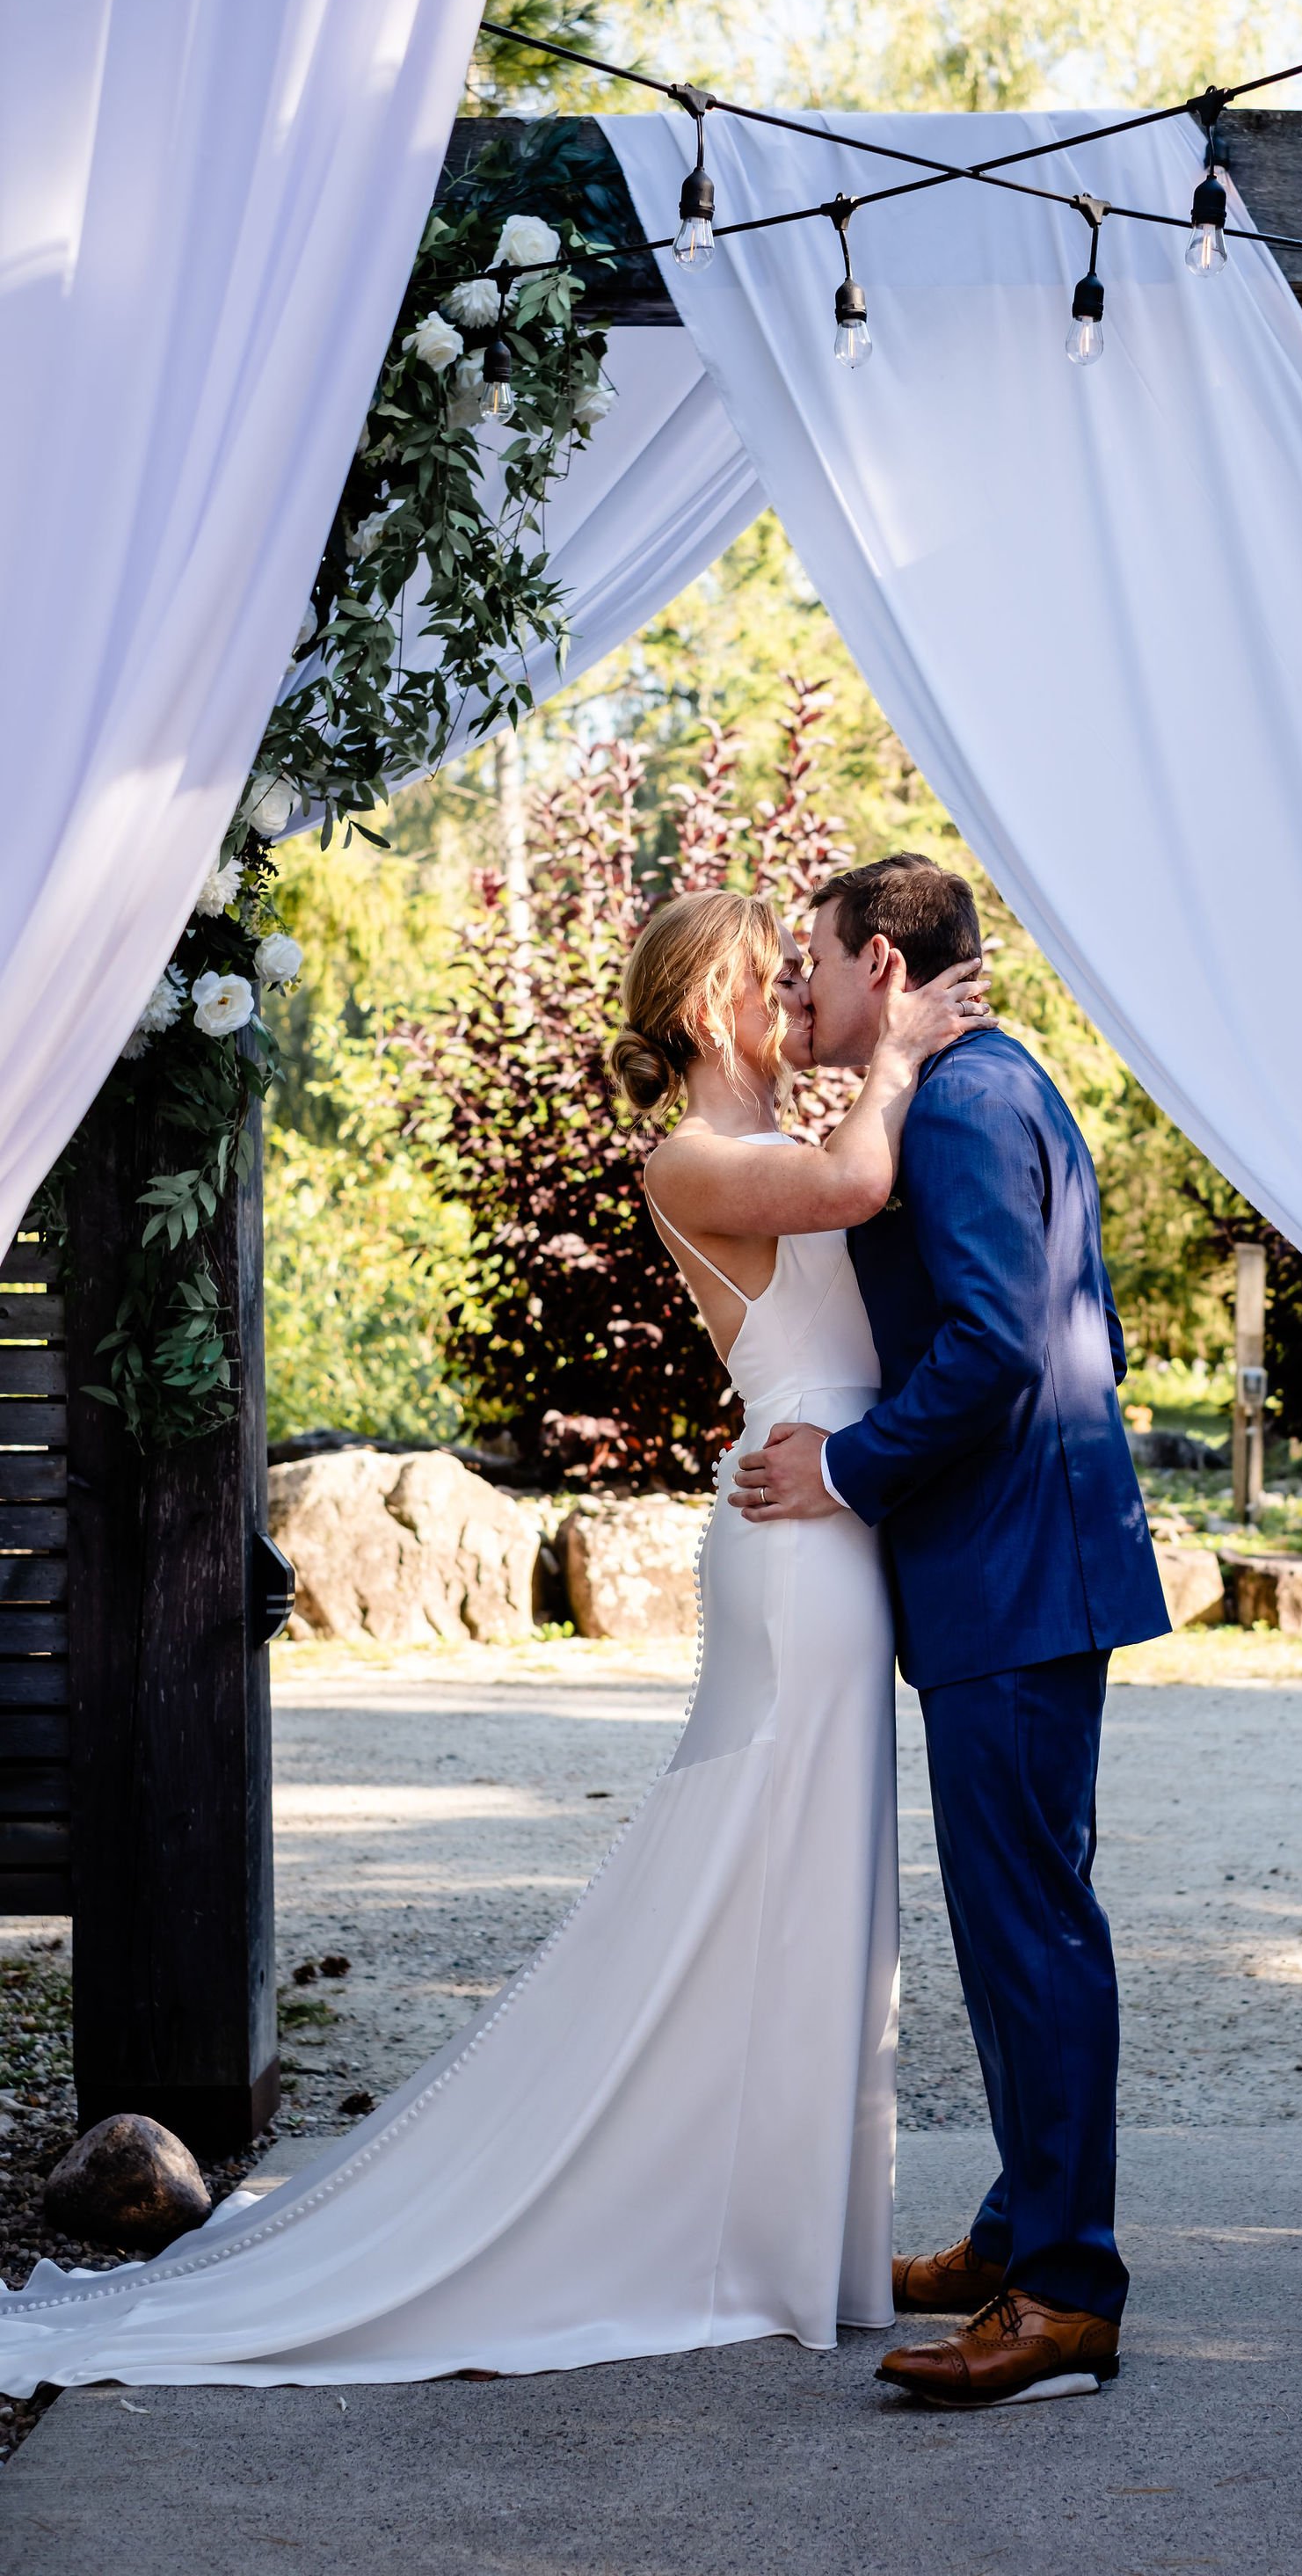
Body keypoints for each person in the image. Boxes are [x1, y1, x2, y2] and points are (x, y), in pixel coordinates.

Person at [0, 886, 983, 2392]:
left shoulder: (772, 1135)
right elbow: (855, 1192)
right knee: (774, 1878)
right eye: (772, 980)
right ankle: (742, 2238)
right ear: (714, 1005)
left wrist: (882, 1076)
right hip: (799, 1544)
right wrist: (903, 1056)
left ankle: (802, 2234)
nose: (799, 996)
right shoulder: (694, 1157)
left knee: (813, 1890)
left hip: (827, 1521)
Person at [732, 853, 1169, 2410]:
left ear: (889, 971)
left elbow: (997, 1343)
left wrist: (846, 1469)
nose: (806, 985)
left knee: (1032, 1927)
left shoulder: (969, 1105)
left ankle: (1065, 2296)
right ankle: (1015, 2235)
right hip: (1022, 1565)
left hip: (1016, 1572)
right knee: (1018, 1921)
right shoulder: (976, 1083)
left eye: (821, 959)